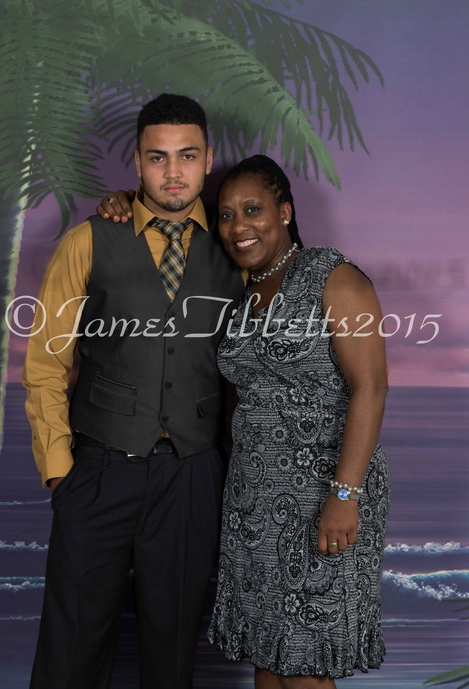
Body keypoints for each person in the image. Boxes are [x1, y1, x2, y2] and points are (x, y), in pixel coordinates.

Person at [99, 154, 390, 689]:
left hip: (322, 493)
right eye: (227, 215)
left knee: (304, 662)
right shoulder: (241, 289)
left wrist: (345, 495)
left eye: (253, 210)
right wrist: (123, 200)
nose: (238, 226)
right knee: (268, 654)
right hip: (252, 501)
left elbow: (370, 388)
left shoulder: (333, 277)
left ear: (285, 212)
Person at [22, 93, 244, 689]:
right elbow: (45, 364)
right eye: (157, 157)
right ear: (138, 161)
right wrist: (60, 473)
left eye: (187, 156)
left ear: (208, 160)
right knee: (70, 656)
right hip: (99, 471)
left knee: (172, 659)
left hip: (192, 476)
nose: (173, 172)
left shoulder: (237, 246)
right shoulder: (88, 240)